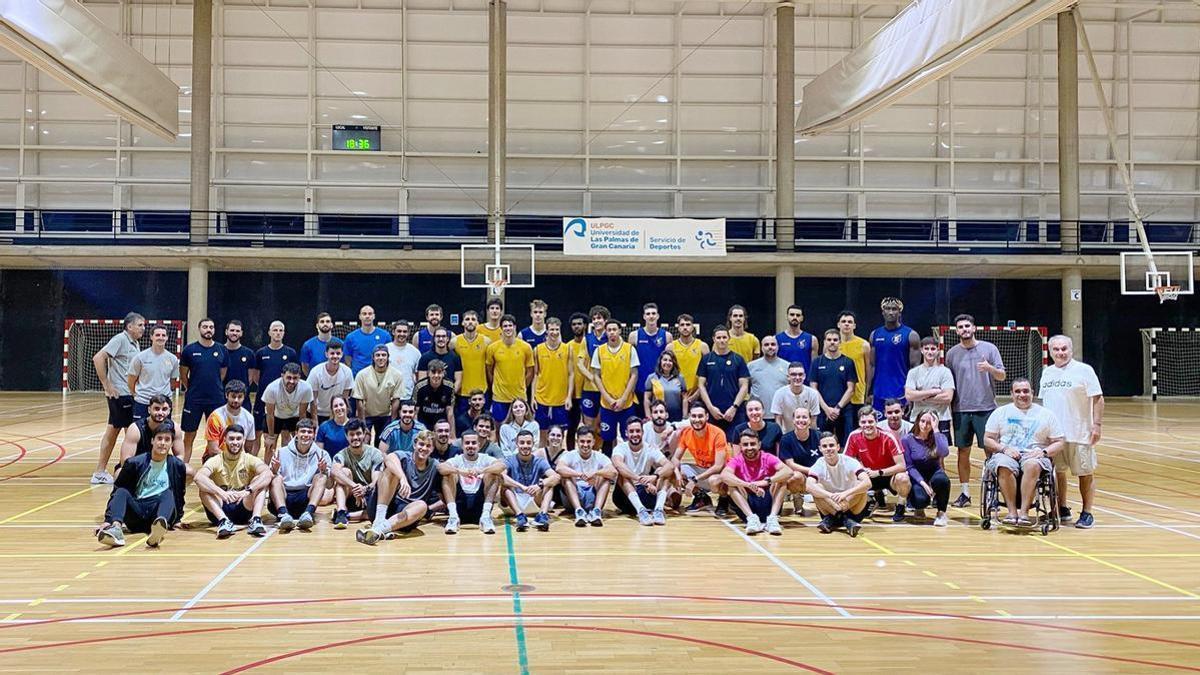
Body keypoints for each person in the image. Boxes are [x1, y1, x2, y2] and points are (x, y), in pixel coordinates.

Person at [1039, 335, 1104, 529]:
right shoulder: (1047, 373)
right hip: (1054, 436)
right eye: (1056, 349)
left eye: (1064, 349)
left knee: (1085, 472)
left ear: (1071, 349)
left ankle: (1087, 512)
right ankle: (1062, 508)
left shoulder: (1084, 370)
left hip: (1079, 432)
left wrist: (1097, 424)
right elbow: (1046, 403)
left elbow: (1098, 398)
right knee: (1057, 473)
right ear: (1050, 352)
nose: (1060, 352)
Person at [983, 377, 1065, 527]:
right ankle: (1012, 512)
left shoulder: (1046, 414)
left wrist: (1044, 452)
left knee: (1032, 465)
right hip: (1006, 452)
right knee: (1003, 465)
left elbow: (1059, 442)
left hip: (1035, 455)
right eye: (1018, 391)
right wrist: (1004, 449)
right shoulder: (1000, 412)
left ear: (1032, 393)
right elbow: (987, 439)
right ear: (1012, 394)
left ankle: (1024, 513)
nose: (1022, 394)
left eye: (1026, 391)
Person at [945, 313, 1007, 507]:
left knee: (991, 452)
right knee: (963, 452)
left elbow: (1002, 376)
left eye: (967, 326)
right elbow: (949, 382)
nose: (964, 329)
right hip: (961, 409)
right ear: (957, 331)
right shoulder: (952, 354)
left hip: (986, 408)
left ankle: (993, 493)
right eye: (960, 327)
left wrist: (990, 368)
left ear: (974, 328)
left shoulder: (989, 349)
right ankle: (964, 493)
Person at [96, 420, 187, 548]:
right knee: (122, 491)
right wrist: (108, 520)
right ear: (152, 441)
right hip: (137, 511)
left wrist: (177, 520)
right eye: (159, 439)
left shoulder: (177, 465)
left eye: (167, 440)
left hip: (158, 511)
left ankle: (159, 528)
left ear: (171, 444)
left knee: (168, 493)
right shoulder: (135, 463)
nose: (162, 443)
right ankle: (115, 529)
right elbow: (117, 491)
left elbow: (179, 494)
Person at [358, 429, 444, 544]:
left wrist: (462, 471)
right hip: (384, 505)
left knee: (422, 505)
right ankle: (379, 521)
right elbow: (389, 458)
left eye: (428, 446)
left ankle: (378, 531)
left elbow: (447, 468)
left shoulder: (434, 464)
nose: (424, 448)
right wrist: (402, 478)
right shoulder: (404, 456)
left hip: (405, 515)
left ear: (432, 449)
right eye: (421, 444)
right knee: (391, 470)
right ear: (414, 444)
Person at [92, 312, 145, 484]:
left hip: (129, 394)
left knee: (114, 431)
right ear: (129, 326)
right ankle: (118, 471)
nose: (143, 328)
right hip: (120, 395)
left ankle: (106, 470)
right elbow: (98, 357)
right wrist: (107, 384)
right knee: (128, 433)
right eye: (140, 325)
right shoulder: (120, 340)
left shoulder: (134, 343)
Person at [193, 424, 271, 538]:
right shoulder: (216, 460)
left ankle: (256, 520)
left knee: (259, 482)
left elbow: (268, 473)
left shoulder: (249, 459)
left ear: (243, 440)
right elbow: (198, 477)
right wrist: (221, 492)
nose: (235, 442)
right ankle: (224, 522)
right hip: (220, 506)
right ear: (224, 440)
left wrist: (247, 491)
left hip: (243, 506)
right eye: (231, 439)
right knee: (204, 487)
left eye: (238, 439)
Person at [845, 406, 911, 522]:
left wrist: (878, 472)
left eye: (870, 421)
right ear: (859, 423)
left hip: (888, 475)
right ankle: (871, 499)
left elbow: (901, 466)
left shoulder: (889, 437)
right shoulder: (854, 436)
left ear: (876, 422)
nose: (867, 425)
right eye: (863, 422)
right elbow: (846, 462)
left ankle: (900, 506)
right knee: (849, 478)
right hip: (868, 475)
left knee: (903, 478)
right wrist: (861, 469)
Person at [721, 429, 791, 535]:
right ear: (740, 446)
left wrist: (766, 481)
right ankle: (752, 519)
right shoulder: (737, 460)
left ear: (759, 445)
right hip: (748, 502)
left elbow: (788, 471)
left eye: (752, 444)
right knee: (731, 484)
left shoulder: (767, 457)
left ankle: (772, 519)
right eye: (745, 444)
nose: (749, 447)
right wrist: (748, 485)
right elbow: (724, 475)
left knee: (782, 481)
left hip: (768, 500)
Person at [180, 317, 229, 463]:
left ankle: (213, 466)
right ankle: (184, 467)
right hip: (194, 399)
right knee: (189, 434)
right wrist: (192, 388)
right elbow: (183, 374)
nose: (208, 330)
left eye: (211, 327)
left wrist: (213, 386)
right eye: (205, 327)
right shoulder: (189, 350)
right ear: (199, 329)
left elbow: (222, 373)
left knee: (216, 436)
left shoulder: (221, 350)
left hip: (216, 399)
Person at [268, 419, 330, 532]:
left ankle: (308, 514)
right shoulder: (281, 452)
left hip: (305, 500)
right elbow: (268, 479)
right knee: (275, 478)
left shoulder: (322, 454)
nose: (306, 435)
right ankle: (283, 514)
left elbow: (329, 485)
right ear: (296, 433)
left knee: (322, 477)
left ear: (314, 435)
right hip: (284, 497)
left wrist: (324, 470)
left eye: (309, 432)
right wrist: (274, 470)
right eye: (303, 431)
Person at [669, 403, 730, 515]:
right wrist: (677, 473)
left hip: (720, 474)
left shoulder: (718, 433)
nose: (697, 419)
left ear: (707, 417)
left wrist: (695, 479)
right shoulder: (686, 433)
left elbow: (718, 466)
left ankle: (724, 498)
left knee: (713, 480)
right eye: (694, 416)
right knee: (674, 471)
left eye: (700, 416)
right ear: (689, 417)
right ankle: (701, 498)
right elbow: (675, 458)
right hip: (702, 471)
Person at [440, 429, 505, 534]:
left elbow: (501, 466)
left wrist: (482, 470)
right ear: (462, 445)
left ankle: (485, 517)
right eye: (467, 443)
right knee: (448, 474)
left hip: (479, 505)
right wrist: (459, 471)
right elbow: (441, 468)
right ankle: (453, 517)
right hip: (460, 505)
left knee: (493, 474)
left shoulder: (485, 458)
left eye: (474, 443)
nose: (470, 445)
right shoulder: (457, 459)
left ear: (478, 445)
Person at [611, 417, 673, 526]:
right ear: (626, 433)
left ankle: (658, 510)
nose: (635, 434)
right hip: (624, 497)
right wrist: (640, 479)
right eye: (631, 431)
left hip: (645, 492)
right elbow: (618, 465)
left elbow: (670, 466)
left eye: (638, 431)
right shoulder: (620, 448)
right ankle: (641, 511)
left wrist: (655, 476)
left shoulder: (650, 448)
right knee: (622, 474)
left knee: (665, 472)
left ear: (642, 432)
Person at [807, 432, 871, 537]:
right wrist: (831, 496)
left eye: (831, 445)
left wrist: (845, 494)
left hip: (851, 508)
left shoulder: (850, 461)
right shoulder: (819, 463)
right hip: (829, 509)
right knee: (816, 488)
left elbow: (867, 483)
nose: (828, 449)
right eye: (824, 446)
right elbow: (808, 486)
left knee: (860, 484)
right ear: (820, 449)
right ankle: (846, 520)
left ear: (838, 447)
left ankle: (837, 518)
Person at [592, 319, 640, 449]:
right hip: (607, 404)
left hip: (627, 403)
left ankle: (629, 467)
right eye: (609, 330)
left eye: (614, 330)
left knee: (628, 438)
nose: (612, 332)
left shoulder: (629, 349)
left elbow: (634, 374)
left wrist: (623, 398)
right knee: (607, 438)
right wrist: (608, 398)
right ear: (605, 332)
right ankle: (609, 466)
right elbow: (596, 375)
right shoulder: (600, 351)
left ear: (619, 331)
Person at [556, 426, 617, 527]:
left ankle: (596, 512)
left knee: (605, 478)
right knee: (566, 478)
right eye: (582, 441)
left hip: (592, 495)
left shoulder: (600, 456)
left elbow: (613, 472)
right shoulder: (570, 455)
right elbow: (559, 468)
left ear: (593, 442)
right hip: (574, 496)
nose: (585, 445)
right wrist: (579, 474)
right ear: (577, 441)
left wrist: (595, 473)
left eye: (588, 441)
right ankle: (579, 511)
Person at [697, 325, 750, 438]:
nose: (722, 340)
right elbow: (701, 385)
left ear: (729, 338)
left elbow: (744, 386)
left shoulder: (738, 359)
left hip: (734, 412)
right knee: (713, 446)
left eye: (724, 337)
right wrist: (710, 408)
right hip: (712, 411)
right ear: (714, 339)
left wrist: (734, 407)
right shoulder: (706, 359)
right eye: (719, 337)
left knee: (735, 446)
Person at [329, 418, 383, 528]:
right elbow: (334, 470)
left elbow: (376, 481)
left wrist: (364, 489)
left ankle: (345, 516)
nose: (355, 437)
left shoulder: (375, 453)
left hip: (368, 495)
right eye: (351, 434)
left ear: (364, 434)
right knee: (344, 472)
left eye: (358, 433)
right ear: (346, 436)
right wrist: (355, 487)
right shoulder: (341, 454)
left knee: (377, 513)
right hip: (350, 495)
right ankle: (341, 511)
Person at [501, 430, 559, 531]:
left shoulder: (539, 461)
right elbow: (501, 476)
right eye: (522, 443)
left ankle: (542, 516)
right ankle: (520, 516)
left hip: (533, 499)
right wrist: (520, 486)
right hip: (514, 502)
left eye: (528, 443)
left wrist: (539, 485)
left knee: (549, 484)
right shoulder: (510, 460)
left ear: (533, 443)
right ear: (517, 444)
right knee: (504, 486)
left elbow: (556, 477)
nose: (525, 446)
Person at [869, 297, 920, 411]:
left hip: (901, 392)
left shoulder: (911, 335)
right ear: (883, 312)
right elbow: (872, 365)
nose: (891, 312)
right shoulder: (875, 334)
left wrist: (911, 394)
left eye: (894, 309)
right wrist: (867, 391)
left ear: (900, 312)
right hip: (879, 392)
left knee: (901, 428)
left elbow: (915, 368)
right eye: (887, 309)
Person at [902, 410, 952, 526]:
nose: (925, 425)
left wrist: (936, 430)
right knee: (920, 499)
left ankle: (941, 512)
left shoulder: (938, 437)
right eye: (922, 421)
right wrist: (923, 483)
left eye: (929, 423)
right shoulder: (907, 439)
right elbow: (909, 466)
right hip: (917, 475)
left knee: (943, 480)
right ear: (918, 421)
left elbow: (944, 452)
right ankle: (919, 508)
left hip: (934, 471)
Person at [261, 362, 315, 465]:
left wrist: (301, 434)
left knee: (299, 444)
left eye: (295, 378)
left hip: (294, 416)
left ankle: (295, 469)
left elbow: (302, 414)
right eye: (288, 377)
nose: (292, 381)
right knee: (269, 446)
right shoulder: (272, 388)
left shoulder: (306, 388)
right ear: (282, 376)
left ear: (299, 377)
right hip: (275, 416)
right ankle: (265, 471)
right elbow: (270, 414)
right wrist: (271, 436)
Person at [810, 330, 858, 443]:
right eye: (829, 340)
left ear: (840, 342)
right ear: (825, 342)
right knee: (823, 442)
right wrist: (827, 409)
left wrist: (837, 408)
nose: (832, 342)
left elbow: (851, 389)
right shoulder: (817, 362)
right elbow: (813, 388)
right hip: (822, 410)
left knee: (846, 443)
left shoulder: (848, 362)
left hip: (844, 410)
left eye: (835, 340)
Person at [251, 320, 298, 435]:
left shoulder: (290, 353)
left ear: (284, 333)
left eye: (280, 330)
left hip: (284, 399)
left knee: (285, 435)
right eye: (275, 330)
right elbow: (256, 376)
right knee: (259, 433)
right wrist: (268, 390)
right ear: (269, 333)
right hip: (263, 397)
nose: (278, 333)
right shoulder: (261, 353)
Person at [486, 314, 535, 421]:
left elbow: (530, 372)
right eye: (505, 326)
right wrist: (495, 385)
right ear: (501, 328)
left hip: (519, 396)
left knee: (520, 427)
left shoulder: (526, 347)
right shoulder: (492, 348)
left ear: (515, 327)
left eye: (510, 325)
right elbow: (489, 370)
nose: (508, 328)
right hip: (499, 396)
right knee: (499, 427)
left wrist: (522, 385)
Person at [532, 317, 571, 446]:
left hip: (560, 399)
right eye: (551, 329)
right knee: (543, 435)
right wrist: (533, 397)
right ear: (546, 331)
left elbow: (571, 374)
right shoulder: (538, 349)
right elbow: (536, 374)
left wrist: (569, 397)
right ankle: (543, 462)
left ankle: (558, 462)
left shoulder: (567, 349)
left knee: (559, 436)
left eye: (556, 329)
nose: (554, 332)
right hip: (542, 398)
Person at [905, 336, 955, 436]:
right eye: (926, 349)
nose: (930, 352)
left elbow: (947, 397)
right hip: (917, 418)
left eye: (933, 349)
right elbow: (909, 395)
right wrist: (932, 392)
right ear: (922, 350)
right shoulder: (913, 372)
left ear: (937, 350)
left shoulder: (945, 372)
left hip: (941, 418)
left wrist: (920, 396)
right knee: (918, 449)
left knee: (940, 450)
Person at [127, 324, 178, 421]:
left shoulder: (173, 359)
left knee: (163, 434)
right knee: (141, 434)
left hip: (163, 404)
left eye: (163, 335)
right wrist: (136, 394)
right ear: (151, 337)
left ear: (167, 337)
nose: (160, 338)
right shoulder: (140, 357)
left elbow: (172, 382)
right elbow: (131, 380)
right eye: (157, 335)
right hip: (143, 402)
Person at [351, 345, 403, 440]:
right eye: (378, 355)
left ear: (388, 357)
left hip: (386, 415)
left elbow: (396, 400)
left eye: (383, 355)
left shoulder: (397, 375)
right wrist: (362, 423)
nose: (381, 358)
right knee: (364, 440)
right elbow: (359, 401)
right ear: (373, 357)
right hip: (367, 415)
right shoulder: (362, 375)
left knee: (383, 442)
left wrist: (392, 422)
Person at [118, 394, 185, 465]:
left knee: (189, 471)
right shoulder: (135, 429)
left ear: (169, 411)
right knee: (118, 473)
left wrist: (171, 468)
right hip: (138, 467)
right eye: (157, 409)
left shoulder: (174, 427)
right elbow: (125, 461)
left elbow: (180, 455)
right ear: (149, 410)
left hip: (161, 466)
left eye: (164, 409)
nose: (160, 413)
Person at [779, 407, 822, 515]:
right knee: (795, 476)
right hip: (799, 478)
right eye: (798, 417)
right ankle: (797, 497)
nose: (801, 420)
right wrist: (811, 470)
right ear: (793, 420)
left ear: (810, 420)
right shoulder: (786, 439)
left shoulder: (819, 436)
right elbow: (790, 464)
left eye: (804, 417)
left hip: (818, 477)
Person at [628, 302, 672, 405]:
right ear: (644, 316)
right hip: (639, 383)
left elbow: (670, 362)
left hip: (661, 383)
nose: (651, 316)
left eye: (653, 313)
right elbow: (629, 362)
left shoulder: (667, 336)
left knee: (660, 416)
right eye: (648, 314)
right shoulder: (634, 336)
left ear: (658, 316)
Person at [575, 305, 609, 433]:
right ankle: (589, 452)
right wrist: (592, 378)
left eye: (599, 318)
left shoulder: (612, 337)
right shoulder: (587, 339)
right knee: (589, 427)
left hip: (607, 388)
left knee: (605, 427)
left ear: (605, 320)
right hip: (590, 388)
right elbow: (579, 364)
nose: (596, 321)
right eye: (594, 319)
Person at [203, 380, 256, 460]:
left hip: (239, 460)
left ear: (244, 397)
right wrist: (233, 459)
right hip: (216, 459)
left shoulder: (249, 418)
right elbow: (213, 450)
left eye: (240, 397)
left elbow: (248, 449)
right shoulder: (215, 417)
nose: (236, 400)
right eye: (233, 396)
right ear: (226, 395)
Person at [666, 313, 709, 410]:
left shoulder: (702, 346)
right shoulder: (671, 347)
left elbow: (708, 374)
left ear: (693, 327)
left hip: (698, 395)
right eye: (682, 325)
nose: (685, 327)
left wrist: (697, 394)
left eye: (688, 324)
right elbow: (666, 372)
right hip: (676, 395)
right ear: (678, 328)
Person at [453, 310, 492, 412]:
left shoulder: (486, 341)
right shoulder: (454, 342)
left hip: (482, 392)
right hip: (462, 393)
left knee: (484, 424)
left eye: (473, 319)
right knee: (462, 425)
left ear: (477, 323)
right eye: (467, 319)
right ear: (462, 323)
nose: (470, 322)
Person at [837, 310, 872, 422]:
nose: (846, 324)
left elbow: (868, 371)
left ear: (854, 325)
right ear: (838, 324)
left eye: (849, 322)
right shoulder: (832, 345)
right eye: (843, 321)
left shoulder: (864, 345)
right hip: (838, 395)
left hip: (858, 396)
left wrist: (867, 393)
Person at [306, 339, 352, 424]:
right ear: (326, 354)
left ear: (342, 354)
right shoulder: (316, 372)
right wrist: (315, 421)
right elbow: (313, 400)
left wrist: (336, 418)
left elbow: (344, 398)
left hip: (336, 412)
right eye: (332, 353)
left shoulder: (347, 371)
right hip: (317, 412)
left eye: (338, 353)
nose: (335, 356)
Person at [770, 362, 821, 433]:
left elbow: (813, 421)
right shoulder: (779, 394)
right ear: (788, 377)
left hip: (807, 435)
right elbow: (778, 421)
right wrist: (780, 439)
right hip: (786, 435)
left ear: (804, 376)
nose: (797, 377)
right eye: (793, 374)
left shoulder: (813, 394)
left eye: (800, 374)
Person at [564, 312, 590, 442]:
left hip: (589, 391)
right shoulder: (567, 346)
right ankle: (570, 454)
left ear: (585, 325)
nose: (577, 327)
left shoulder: (591, 343)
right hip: (573, 394)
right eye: (574, 324)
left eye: (579, 324)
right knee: (571, 427)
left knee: (590, 428)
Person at [342, 305, 388, 376]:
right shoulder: (351, 337)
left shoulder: (385, 335)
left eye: (370, 314)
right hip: (357, 377)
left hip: (380, 376)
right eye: (364, 314)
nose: (367, 316)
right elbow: (348, 359)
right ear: (360, 316)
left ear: (374, 316)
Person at [414, 359, 455, 434]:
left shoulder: (450, 386)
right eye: (433, 372)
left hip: (441, 423)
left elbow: (450, 412)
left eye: (439, 372)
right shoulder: (419, 387)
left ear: (443, 373)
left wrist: (452, 435)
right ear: (428, 373)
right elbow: (415, 412)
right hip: (423, 423)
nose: (436, 375)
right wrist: (416, 432)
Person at [643, 351, 686, 422]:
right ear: (660, 361)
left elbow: (685, 398)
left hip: (677, 416)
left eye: (670, 361)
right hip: (658, 415)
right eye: (665, 360)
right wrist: (648, 416)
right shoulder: (652, 377)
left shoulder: (680, 378)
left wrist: (685, 416)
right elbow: (647, 399)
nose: (667, 363)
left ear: (673, 363)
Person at [747, 335, 789, 406]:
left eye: (773, 344)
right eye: (766, 345)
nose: (770, 347)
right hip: (758, 413)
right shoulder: (751, 366)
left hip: (781, 412)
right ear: (761, 348)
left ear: (778, 347)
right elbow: (745, 389)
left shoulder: (787, 366)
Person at [776, 304, 818, 374]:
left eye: (798, 315)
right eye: (792, 315)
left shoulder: (812, 339)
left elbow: (814, 366)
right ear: (787, 317)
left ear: (802, 318)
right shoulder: (777, 339)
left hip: (804, 382)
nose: (795, 317)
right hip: (784, 381)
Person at [385, 320, 422, 399]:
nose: (402, 334)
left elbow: (418, 375)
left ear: (408, 333)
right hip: (387, 396)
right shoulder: (385, 349)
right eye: (399, 331)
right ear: (393, 332)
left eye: (404, 331)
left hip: (407, 396)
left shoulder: (415, 352)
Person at [222, 320, 255, 396]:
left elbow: (250, 379)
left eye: (237, 331)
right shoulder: (219, 351)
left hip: (242, 398)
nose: (234, 333)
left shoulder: (249, 353)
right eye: (232, 330)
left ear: (241, 333)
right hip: (222, 398)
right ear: (226, 332)